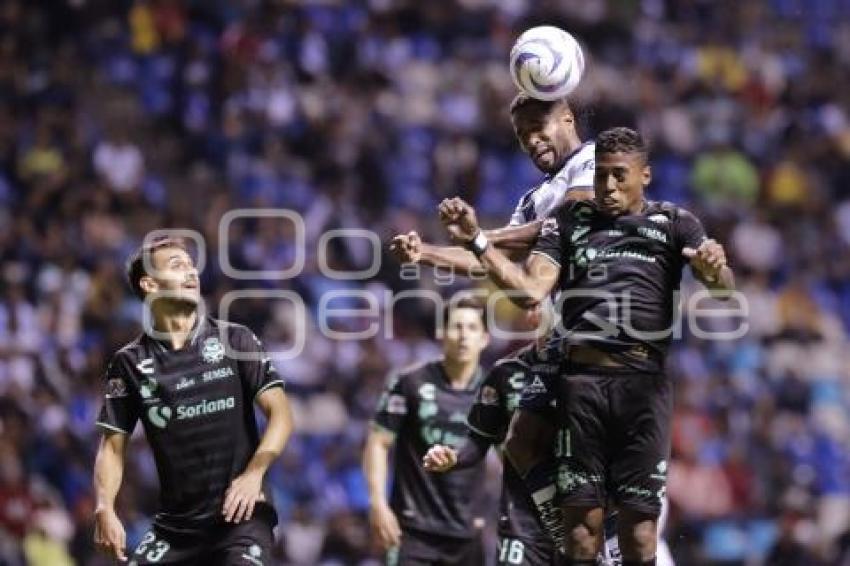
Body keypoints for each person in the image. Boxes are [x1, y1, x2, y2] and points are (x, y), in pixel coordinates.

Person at [437, 127, 734, 565]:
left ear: (645, 176)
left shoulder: (675, 222)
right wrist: (478, 241)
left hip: (643, 387)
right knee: (581, 534)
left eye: (620, 176)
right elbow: (529, 290)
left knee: (640, 535)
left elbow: (723, 288)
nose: (608, 188)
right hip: (583, 384)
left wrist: (714, 270)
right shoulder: (569, 222)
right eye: (600, 177)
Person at [391, 93, 596, 560]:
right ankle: (567, 541)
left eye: (538, 127)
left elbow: (557, 226)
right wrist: (426, 253)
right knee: (522, 439)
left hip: (609, 334)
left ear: (567, 117)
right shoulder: (532, 198)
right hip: (566, 340)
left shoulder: (596, 163)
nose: (531, 140)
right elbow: (489, 260)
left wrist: (481, 235)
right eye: (522, 135)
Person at [93, 236, 294, 564]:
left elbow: (282, 415)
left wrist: (254, 474)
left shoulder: (234, 339)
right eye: (177, 266)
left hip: (240, 518)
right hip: (175, 529)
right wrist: (104, 506)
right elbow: (113, 447)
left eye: (191, 265)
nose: (191, 273)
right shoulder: (129, 363)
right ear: (149, 284)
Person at [362, 293, 491, 565]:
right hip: (412, 530)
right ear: (441, 333)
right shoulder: (409, 382)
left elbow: (512, 455)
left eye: (472, 328)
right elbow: (378, 442)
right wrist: (377, 502)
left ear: (485, 338)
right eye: (456, 326)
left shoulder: (492, 392)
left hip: (468, 533)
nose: (463, 335)